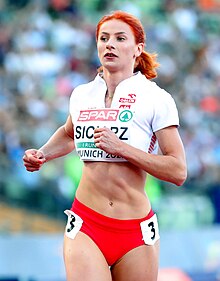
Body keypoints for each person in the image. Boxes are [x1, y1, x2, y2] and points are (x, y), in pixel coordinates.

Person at [23, 10, 187, 281]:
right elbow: (68, 134)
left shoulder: (156, 99)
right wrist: (43, 154)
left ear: (138, 49)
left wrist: (121, 148)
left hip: (135, 231)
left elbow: (178, 170)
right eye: (104, 38)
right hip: (87, 224)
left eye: (120, 38)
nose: (110, 44)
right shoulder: (82, 94)